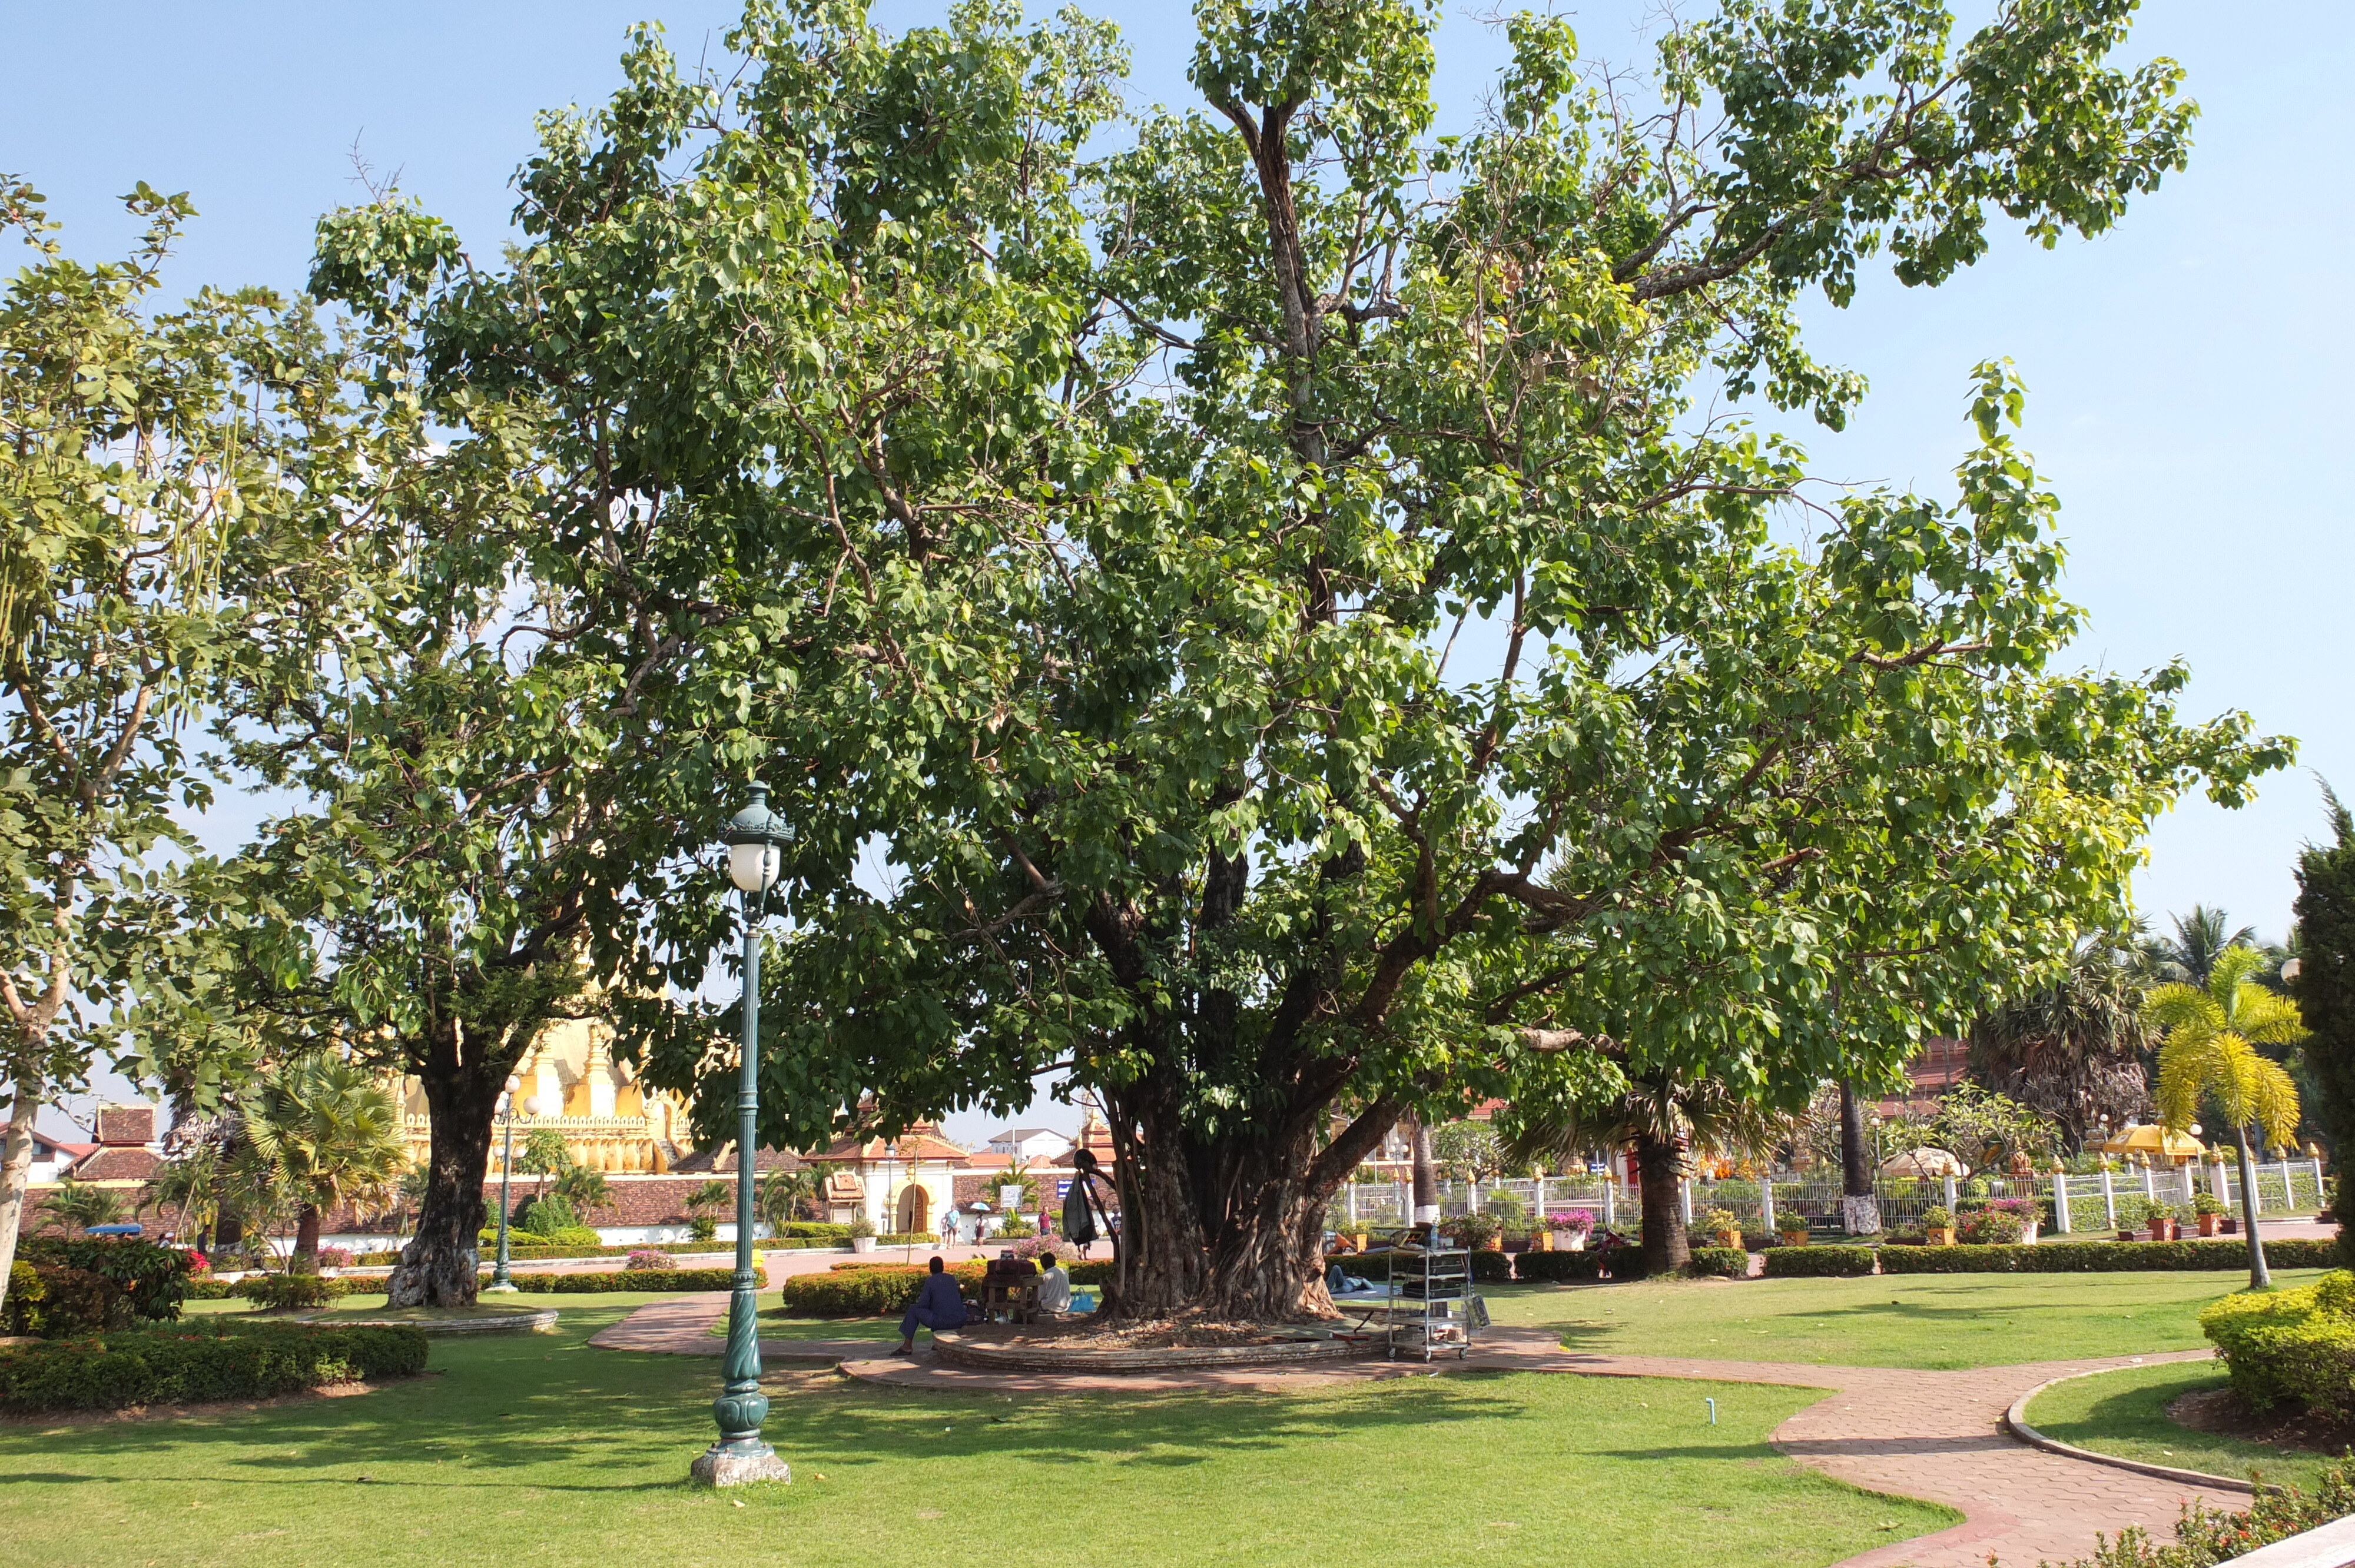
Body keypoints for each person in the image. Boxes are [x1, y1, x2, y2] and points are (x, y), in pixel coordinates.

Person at [893, 1255, 967, 1356]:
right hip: (959, 1319)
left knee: (914, 1309)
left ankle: (907, 1346)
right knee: (942, 1309)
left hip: (942, 1321)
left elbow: (923, 1303)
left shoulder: (930, 1281)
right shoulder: (951, 1279)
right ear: (943, 1267)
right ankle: (938, 1343)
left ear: (930, 1268)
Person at [1036, 1250, 1072, 1314]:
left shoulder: (1045, 1276)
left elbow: (1039, 1297)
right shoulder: (1064, 1272)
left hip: (1050, 1307)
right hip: (1065, 1307)